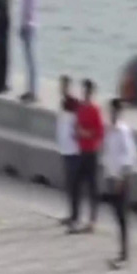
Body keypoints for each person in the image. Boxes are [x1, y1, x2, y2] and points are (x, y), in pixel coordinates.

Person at [102, 98, 137, 269]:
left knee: (122, 216)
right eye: (111, 111)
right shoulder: (110, 130)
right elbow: (108, 152)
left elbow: (130, 157)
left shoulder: (123, 132)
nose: (113, 114)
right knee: (116, 215)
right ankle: (121, 251)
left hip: (120, 179)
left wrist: (122, 179)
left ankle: (125, 254)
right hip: (111, 176)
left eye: (115, 111)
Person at [70, 78, 104, 234]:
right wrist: (76, 134)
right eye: (84, 91)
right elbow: (76, 126)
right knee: (76, 185)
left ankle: (92, 220)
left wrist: (86, 133)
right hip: (80, 151)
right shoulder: (80, 109)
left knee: (92, 187)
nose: (85, 94)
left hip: (91, 152)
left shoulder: (95, 110)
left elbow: (100, 133)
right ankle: (75, 217)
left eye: (88, 91)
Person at [56, 75, 80, 225]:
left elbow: (77, 123)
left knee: (74, 184)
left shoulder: (73, 104)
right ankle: (72, 213)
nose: (62, 89)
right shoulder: (63, 103)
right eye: (61, 86)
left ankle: (75, 215)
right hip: (65, 149)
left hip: (73, 150)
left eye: (64, 86)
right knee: (69, 184)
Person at [18, 0, 38, 102]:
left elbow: (27, 9)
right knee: (30, 60)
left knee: (31, 60)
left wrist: (24, 25)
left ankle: (32, 91)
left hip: (28, 25)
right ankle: (31, 89)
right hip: (30, 23)